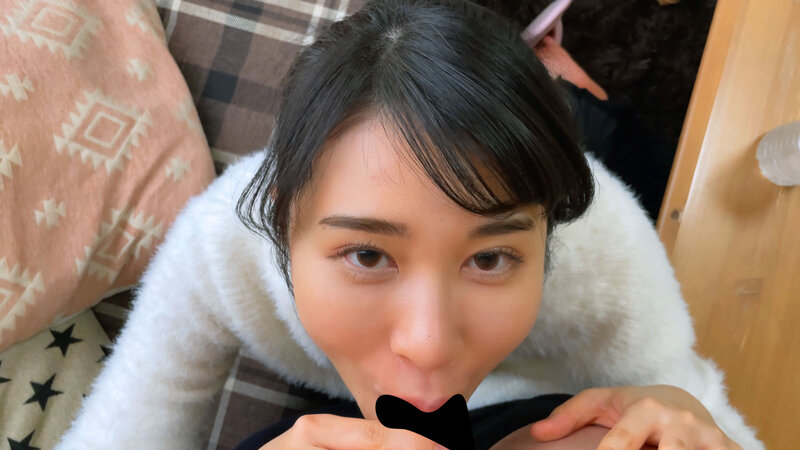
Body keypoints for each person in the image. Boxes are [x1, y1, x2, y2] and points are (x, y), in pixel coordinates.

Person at [57, 0, 761, 449]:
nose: (428, 345)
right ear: (280, 226)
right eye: (368, 255)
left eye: (490, 258)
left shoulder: (600, 244)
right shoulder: (217, 249)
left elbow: (693, 404)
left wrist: (695, 422)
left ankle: (568, 81)